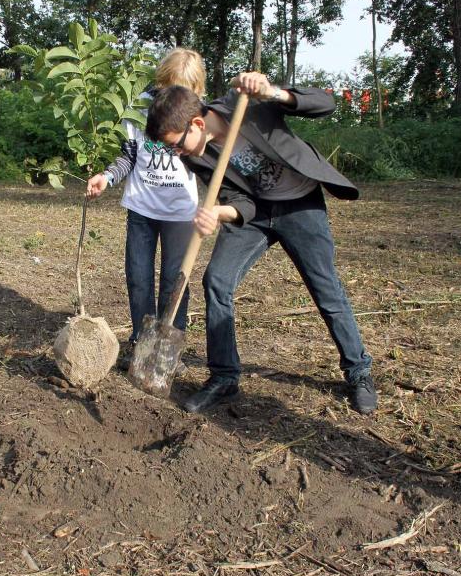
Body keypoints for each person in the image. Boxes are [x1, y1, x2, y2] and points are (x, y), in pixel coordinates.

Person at [144, 72, 378, 416]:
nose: (175, 153)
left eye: (176, 143)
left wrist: (275, 93)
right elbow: (241, 200)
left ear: (196, 122)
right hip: (255, 215)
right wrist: (220, 212)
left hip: (300, 205)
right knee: (217, 281)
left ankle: (359, 371)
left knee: (324, 287)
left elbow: (325, 104)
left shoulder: (248, 104)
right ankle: (224, 376)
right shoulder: (195, 155)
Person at [86, 48, 205, 370]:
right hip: (142, 208)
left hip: (181, 212)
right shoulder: (139, 106)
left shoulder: (201, 115)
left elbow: (210, 163)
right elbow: (129, 156)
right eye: (169, 88)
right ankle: (141, 341)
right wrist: (107, 176)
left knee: (174, 281)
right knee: (139, 278)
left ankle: (167, 349)